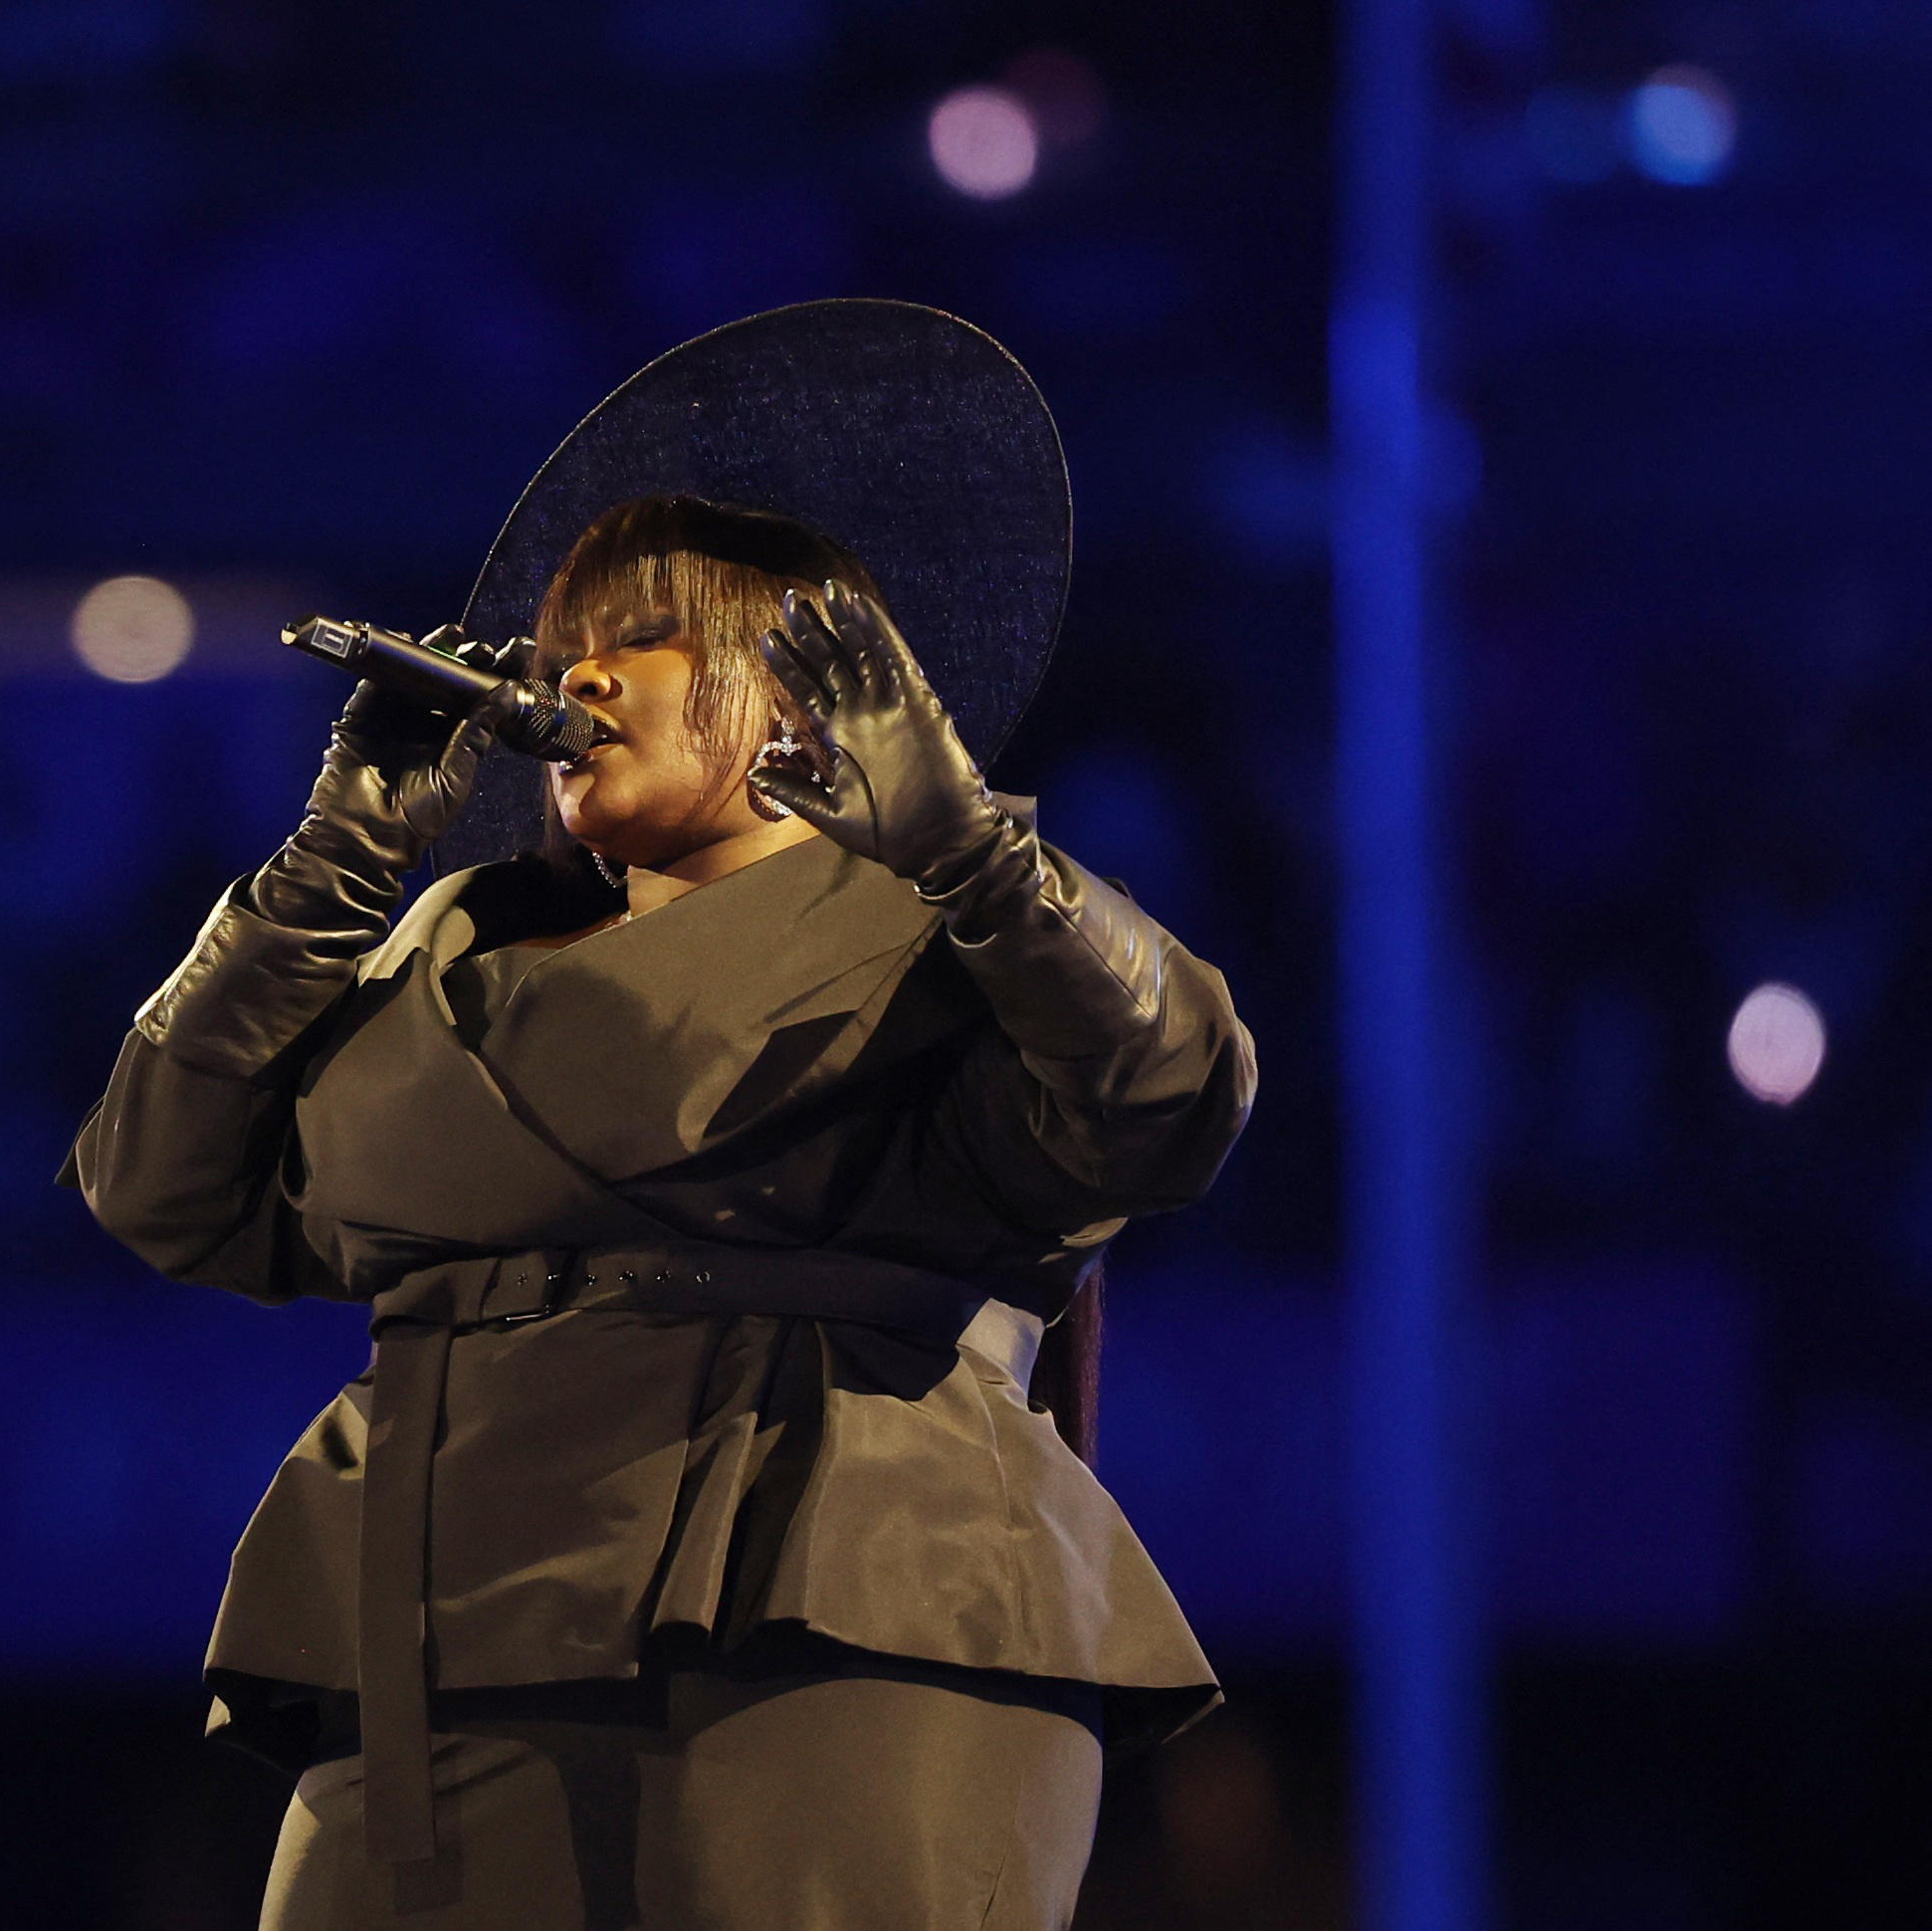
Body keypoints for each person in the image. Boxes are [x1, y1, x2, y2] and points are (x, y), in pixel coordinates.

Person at [66, 303, 1255, 1930]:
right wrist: (329, 864)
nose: (577, 677)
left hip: (827, 1622)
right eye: (564, 650)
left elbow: (1170, 1095)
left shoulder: (947, 931)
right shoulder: (445, 947)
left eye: (652, 637)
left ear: (802, 700)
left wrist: (969, 848)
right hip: (436, 1635)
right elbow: (161, 1186)